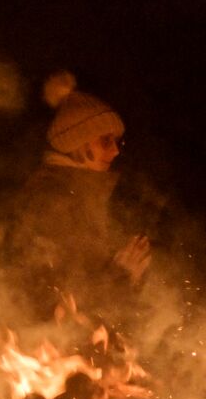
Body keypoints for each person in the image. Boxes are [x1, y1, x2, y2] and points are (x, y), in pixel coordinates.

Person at [8, 71, 150, 323]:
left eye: (118, 142)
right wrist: (120, 277)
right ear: (78, 142)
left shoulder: (83, 195)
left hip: (71, 345)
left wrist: (127, 279)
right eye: (106, 141)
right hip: (46, 348)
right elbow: (52, 296)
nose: (116, 150)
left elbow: (94, 289)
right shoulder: (51, 199)